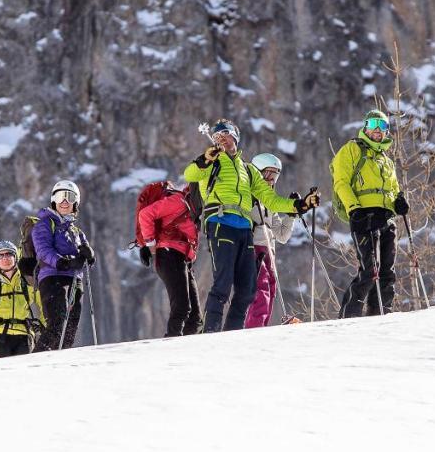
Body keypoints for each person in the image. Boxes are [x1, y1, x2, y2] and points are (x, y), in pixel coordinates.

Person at [184, 120, 319, 333]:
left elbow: (271, 200)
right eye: (218, 135)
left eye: (226, 133)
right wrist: (205, 159)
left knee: (247, 289)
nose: (222, 138)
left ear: (235, 137)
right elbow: (190, 174)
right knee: (223, 283)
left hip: (244, 228)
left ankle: (233, 334)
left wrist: (300, 206)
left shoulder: (248, 169)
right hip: (220, 221)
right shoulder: (211, 162)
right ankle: (210, 332)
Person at [332, 109, 407, 317]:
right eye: (373, 124)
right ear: (365, 127)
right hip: (363, 216)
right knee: (369, 270)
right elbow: (341, 182)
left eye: (383, 126)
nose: (377, 130)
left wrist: (398, 202)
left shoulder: (386, 161)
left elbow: (393, 189)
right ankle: (348, 317)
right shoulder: (352, 149)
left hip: (386, 217)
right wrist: (354, 208)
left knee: (387, 273)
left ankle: (380, 316)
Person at [31, 180, 96, 351]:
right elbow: (43, 251)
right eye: (60, 196)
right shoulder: (45, 224)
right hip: (52, 278)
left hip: (75, 281)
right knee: (56, 325)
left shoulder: (76, 231)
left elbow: (87, 258)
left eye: (69, 197)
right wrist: (64, 262)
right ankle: (34, 362)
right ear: (54, 200)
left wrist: (89, 256)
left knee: (70, 331)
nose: (65, 201)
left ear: (76, 202)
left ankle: (61, 366)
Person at [136, 182, 201, 336]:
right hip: (169, 254)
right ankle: (171, 346)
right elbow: (145, 214)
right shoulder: (179, 201)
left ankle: (185, 350)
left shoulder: (194, 209)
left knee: (195, 317)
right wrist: (150, 244)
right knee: (182, 307)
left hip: (182, 258)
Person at [243, 153, 300, 328]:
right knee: (261, 292)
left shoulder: (270, 203)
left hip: (269, 251)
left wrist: (291, 215)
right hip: (253, 248)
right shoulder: (247, 195)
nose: (271, 180)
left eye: (274, 175)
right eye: (267, 174)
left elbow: (282, 236)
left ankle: (260, 330)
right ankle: (253, 330)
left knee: (270, 291)